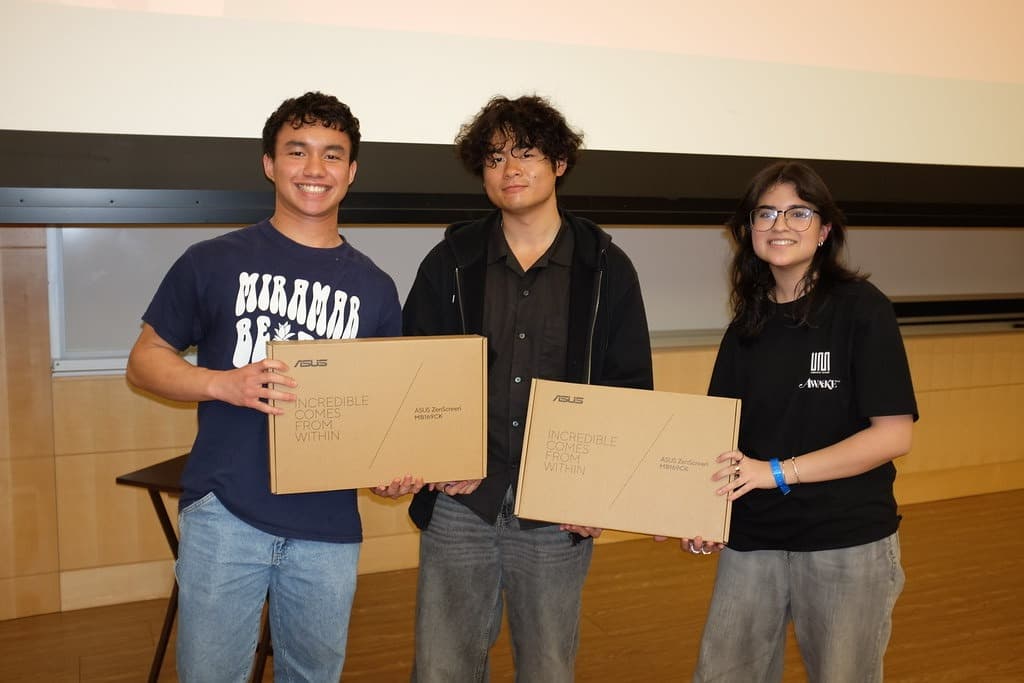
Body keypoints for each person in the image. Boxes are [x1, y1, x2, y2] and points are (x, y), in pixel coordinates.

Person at [126, 91, 421, 682]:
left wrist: (393, 470)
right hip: (225, 514)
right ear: (269, 163)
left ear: (352, 171)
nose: (315, 169)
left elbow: (385, 415)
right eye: (298, 151)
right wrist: (221, 384)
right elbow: (144, 362)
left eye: (333, 155)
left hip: (330, 528)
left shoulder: (377, 288)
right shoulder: (212, 261)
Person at [401, 95, 654, 681]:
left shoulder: (607, 267)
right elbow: (416, 371)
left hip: (556, 509)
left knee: (547, 668)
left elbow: (628, 388)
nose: (508, 168)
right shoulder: (451, 261)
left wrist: (600, 492)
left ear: (560, 162)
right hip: (462, 500)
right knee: (441, 668)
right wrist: (437, 454)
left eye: (525, 152)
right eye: (493, 157)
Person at [689, 161, 917, 682]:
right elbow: (717, 434)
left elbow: (893, 434)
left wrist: (776, 471)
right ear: (748, 230)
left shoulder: (862, 309)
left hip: (845, 540)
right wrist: (695, 511)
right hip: (752, 540)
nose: (779, 225)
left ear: (824, 229)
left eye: (798, 212)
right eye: (765, 213)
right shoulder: (746, 323)